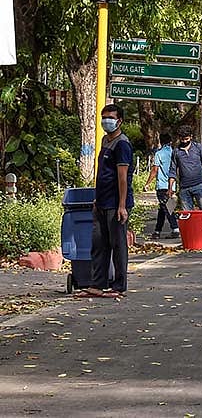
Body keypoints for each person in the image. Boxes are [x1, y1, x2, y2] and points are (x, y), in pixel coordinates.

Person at [80, 104, 134, 298]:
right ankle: (97, 284)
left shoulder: (122, 144)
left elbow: (122, 177)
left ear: (119, 121)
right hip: (102, 201)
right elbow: (103, 173)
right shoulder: (105, 141)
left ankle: (119, 286)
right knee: (99, 244)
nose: (106, 121)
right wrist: (97, 198)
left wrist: (121, 205)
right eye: (104, 117)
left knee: (117, 245)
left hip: (116, 203)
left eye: (110, 117)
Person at [168, 125, 202, 241]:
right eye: (182, 139)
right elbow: (172, 171)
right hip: (184, 188)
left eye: (186, 138)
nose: (184, 141)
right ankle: (191, 237)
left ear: (190, 137)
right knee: (187, 214)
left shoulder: (198, 148)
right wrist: (170, 187)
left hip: (199, 185)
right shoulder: (176, 152)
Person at [144, 132, 178, 240]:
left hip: (162, 185)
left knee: (167, 208)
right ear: (170, 141)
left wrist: (148, 183)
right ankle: (157, 231)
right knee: (163, 208)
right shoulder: (174, 153)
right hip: (172, 185)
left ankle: (175, 228)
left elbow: (155, 170)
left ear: (161, 141)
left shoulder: (159, 153)